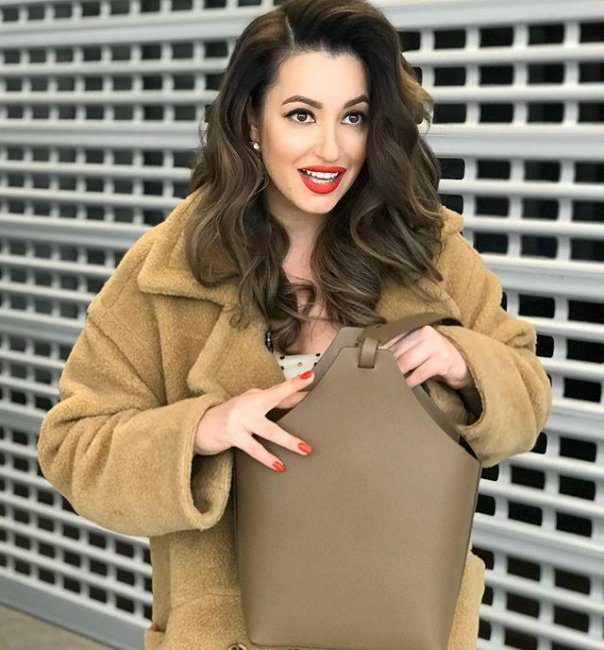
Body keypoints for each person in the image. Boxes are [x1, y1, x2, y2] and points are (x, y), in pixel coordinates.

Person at [37, 0, 552, 648]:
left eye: (353, 117)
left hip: (405, 626)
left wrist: (467, 363)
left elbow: (528, 395)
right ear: (252, 120)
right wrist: (201, 429)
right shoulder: (170, 269)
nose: (330, 148)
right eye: (301, 114)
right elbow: (72, 447)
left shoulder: (428, 254)